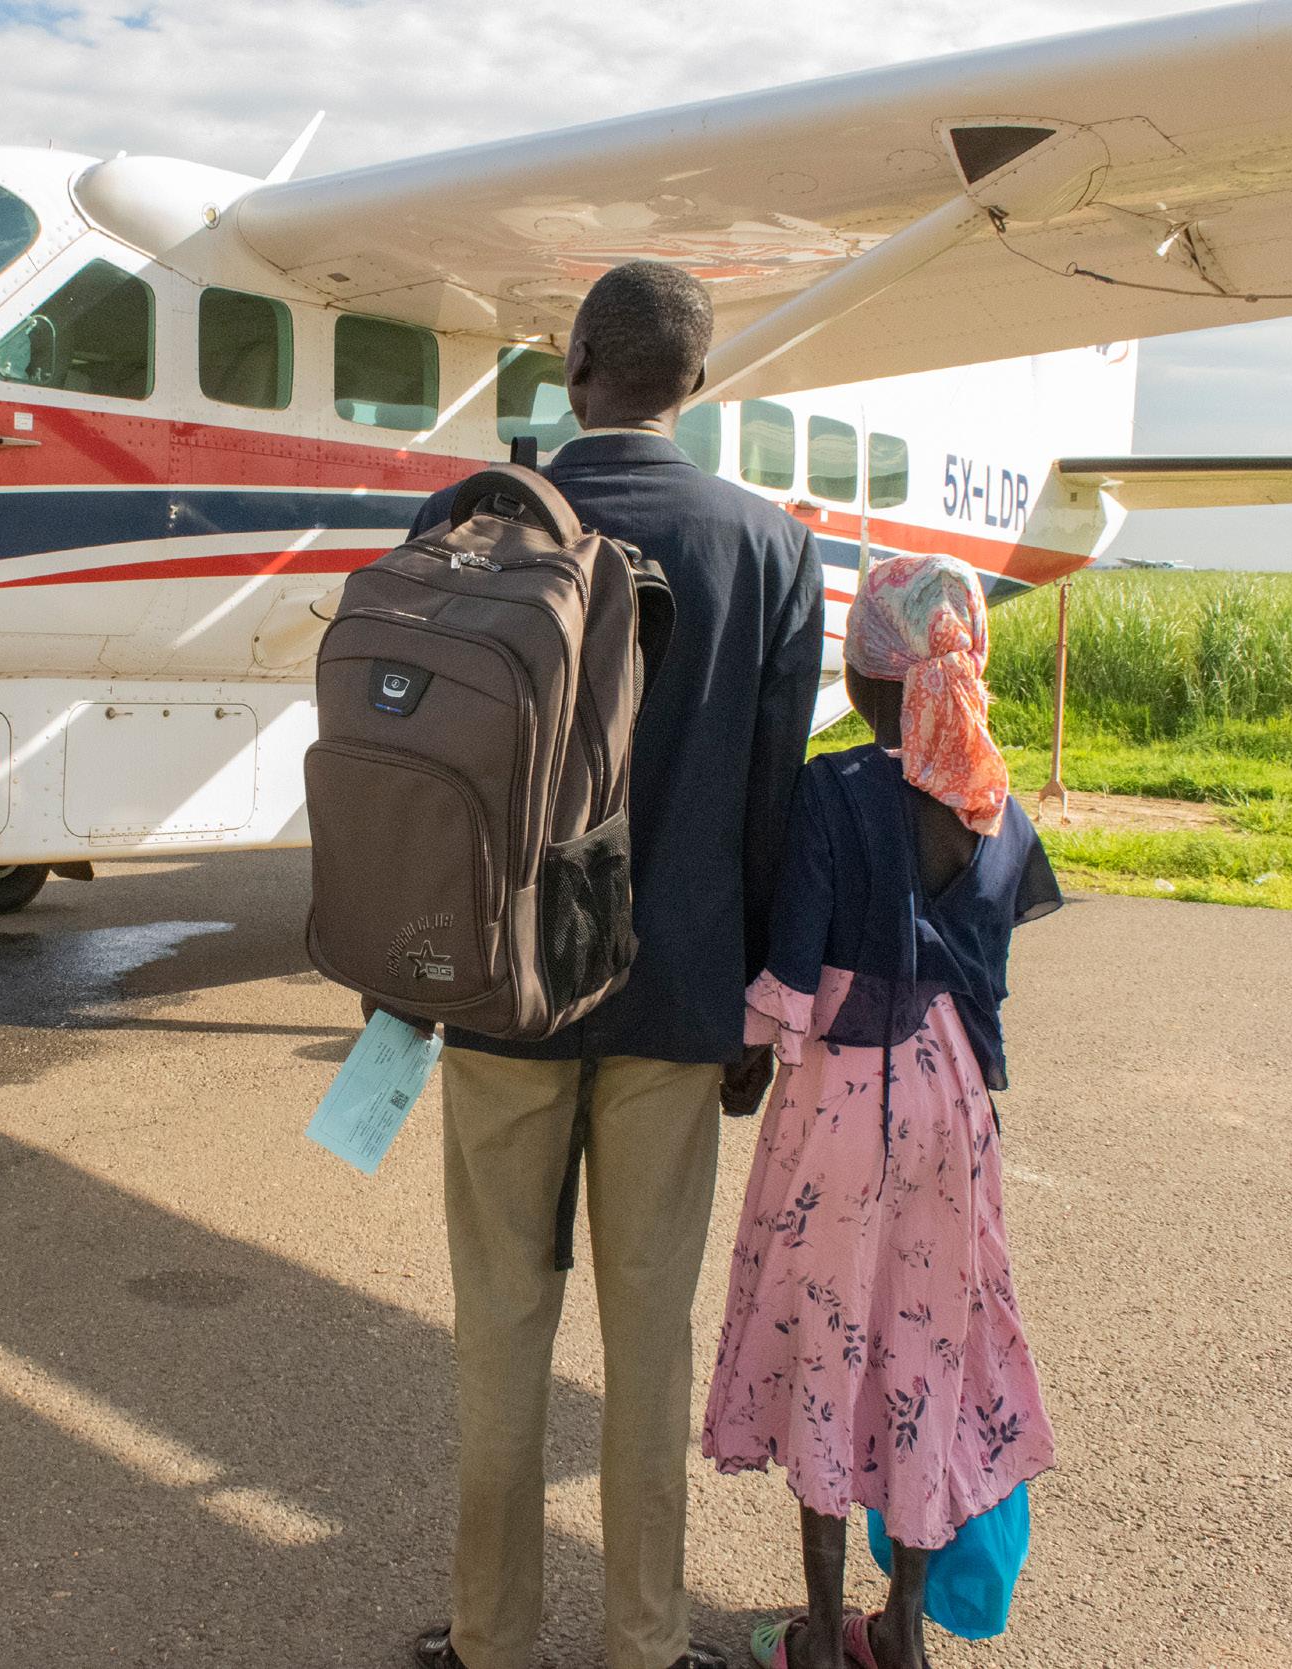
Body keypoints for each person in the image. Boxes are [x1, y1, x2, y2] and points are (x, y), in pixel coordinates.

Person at [407, 261, 824, 1669]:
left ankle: (492, 1637)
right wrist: (755, 1003)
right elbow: (771, 800)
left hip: (502, 992)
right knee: (650, 1333)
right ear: (694, 384)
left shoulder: (471, 519)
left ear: (573, 362)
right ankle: (645, 1640)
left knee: (498, 1324)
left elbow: (421, 773)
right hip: (679, 996)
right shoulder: (769, 547)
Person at [701, 554, 1061, 1669]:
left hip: (842, 1105)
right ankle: (899, 1627)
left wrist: (740, 1062)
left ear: (861, 681)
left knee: (828, 1340)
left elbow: (792, 974)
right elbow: (986, 981)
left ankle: (819, 1633)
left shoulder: (834, 789)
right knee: (921, 1348)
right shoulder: (996, 809)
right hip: (955, 1106)